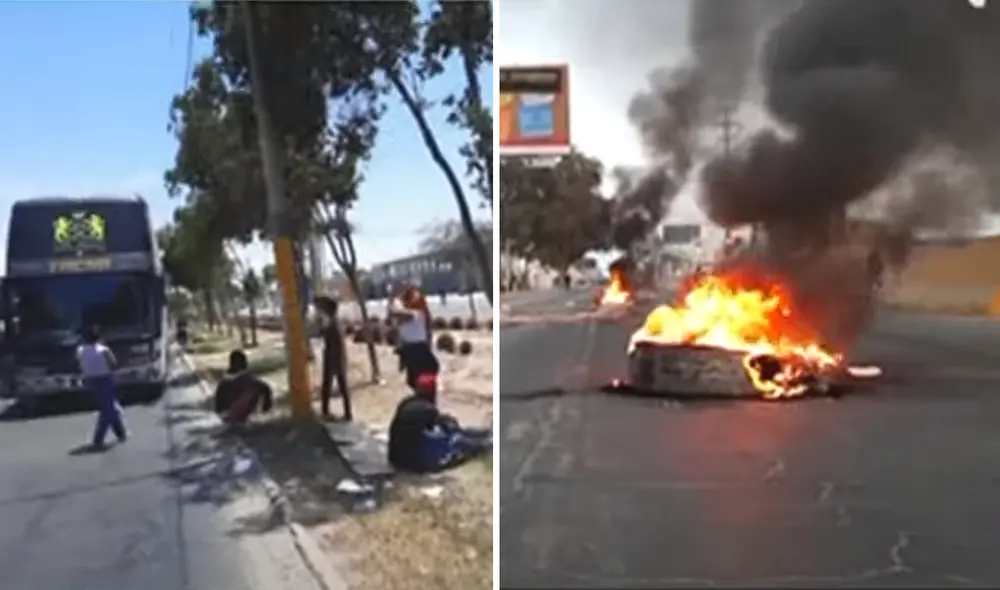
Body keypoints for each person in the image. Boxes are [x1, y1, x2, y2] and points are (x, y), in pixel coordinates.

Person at [387, 373, 491, 473]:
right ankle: (487, 444)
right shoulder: (428, 409)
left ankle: (486, 435)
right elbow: (448, 428)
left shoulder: (407, 402)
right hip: (416, 463)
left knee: (450, 434)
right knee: (457, 439)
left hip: (396, 457)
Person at [77, 326, 127, 448]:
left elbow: (80, 364)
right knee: (108, 409)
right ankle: (98, 438)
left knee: (109, 405)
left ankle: (121, 433)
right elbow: (113, 363)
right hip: (105, 379)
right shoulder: (104, 350)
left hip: (90, 380)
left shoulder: (80, 350)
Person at [388, 285, 439, 391]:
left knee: (419, 382)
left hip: (416, 350)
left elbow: (396, 313)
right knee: (417, 382)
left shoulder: (414, 314)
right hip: (416, 349)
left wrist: (394, 300)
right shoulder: (417, 314)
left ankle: (424, 399)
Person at [312, 296, 353, 421]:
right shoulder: (331, 321)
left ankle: (346, 413)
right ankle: (329, 411)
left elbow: (335, 342)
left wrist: (335, 360)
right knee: (332, 384)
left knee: (339, 384)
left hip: (335, 357)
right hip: (332, 355)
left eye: (321, 308)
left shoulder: (334, 323)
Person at [213, 349, 274, 425]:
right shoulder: (244, 378)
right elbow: (264, 387)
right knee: (255, 388)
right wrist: (266, 407)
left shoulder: (224, 380)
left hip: (222, 414)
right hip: (234, 413)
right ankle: (244, 416)